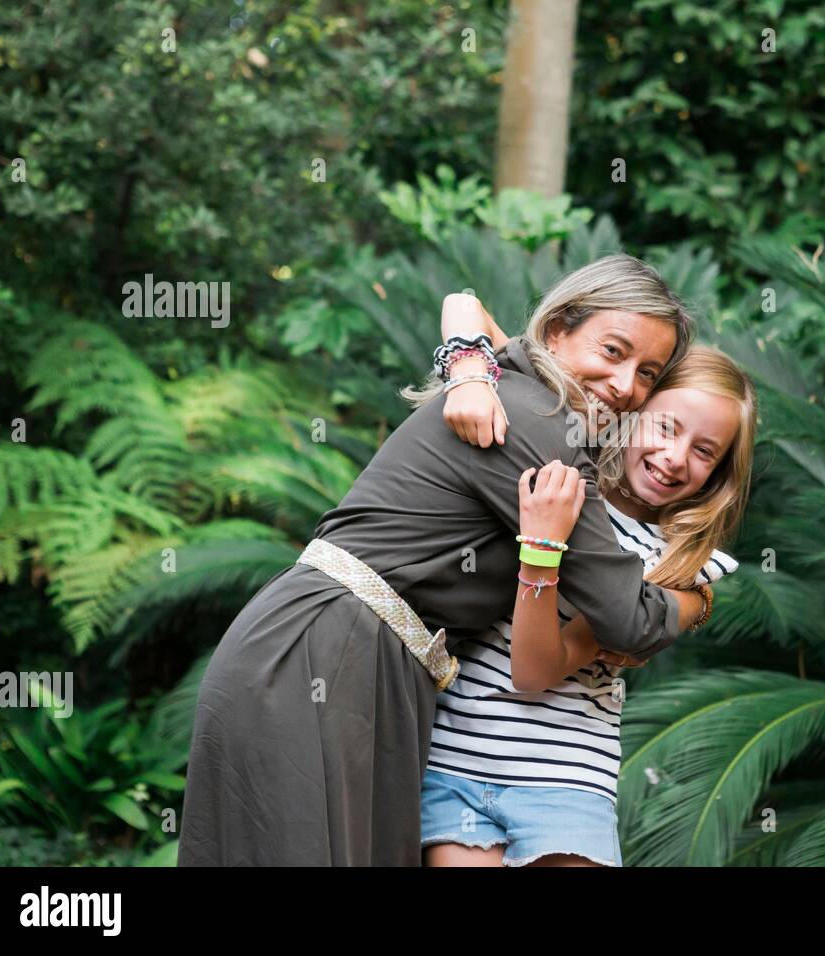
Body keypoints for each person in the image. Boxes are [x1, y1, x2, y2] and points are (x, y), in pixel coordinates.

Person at [178, 254, 710, 865]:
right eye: (613, 352)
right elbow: (629, 620)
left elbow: (469, 305)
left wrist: (467, 363)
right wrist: (699, 599)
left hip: (342, 650)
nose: (625, 386)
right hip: (326, 653)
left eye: (648, 373)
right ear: (558, 330)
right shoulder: (544, 426)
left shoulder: (513, 390)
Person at [419, 297, 757, 866]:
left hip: (565, 785)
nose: (675, 458)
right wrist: (470, 377)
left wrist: (543, 551)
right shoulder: (561, 458)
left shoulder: (679, 572)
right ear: (631, 411)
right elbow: (466, 306)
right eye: (666, 427)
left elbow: (533, 671)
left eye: (704, 451)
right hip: (458, 765)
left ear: (719, 473)